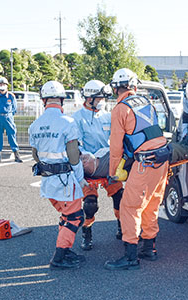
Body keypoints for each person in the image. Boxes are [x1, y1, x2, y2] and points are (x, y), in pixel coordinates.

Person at [104, 68, 169, 271]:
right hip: (162, 159)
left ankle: (130, 256)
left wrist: (114, 173)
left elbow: (115, 146)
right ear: (134, 86)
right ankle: (149, 248)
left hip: (145, 163)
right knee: (151, 203)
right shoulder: (147, 102)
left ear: (116, 88)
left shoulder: (120, 109)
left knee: (129, 207)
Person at [29, 80, 88, 269]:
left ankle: (66, 249)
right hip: (65, 181)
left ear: (43, 100)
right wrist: (81, 179)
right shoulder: (68, 122)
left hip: (48, 181)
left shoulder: (35, 125)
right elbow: (73, 156)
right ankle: (59, 256)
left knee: (65, 215)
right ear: (62, 100)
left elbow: (35, 155)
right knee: (75, 217)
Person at [72, 80, 124, 251]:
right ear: (89, 98)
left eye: (104, 97)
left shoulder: (108, 115)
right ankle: (87, 232)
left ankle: (121, 226)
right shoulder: (77, 118)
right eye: (100, 97)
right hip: (88, 166)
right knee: (90, 204)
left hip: (107, 163)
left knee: (120, 196)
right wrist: (88, 158)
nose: (103, 100)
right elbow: (76, 145)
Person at [0, 77, 23, 163]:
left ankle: (16, 155)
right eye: (0, 84)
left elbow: (14, 108)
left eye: (3, 84)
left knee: (12, 135)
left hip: (8, 117)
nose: (2, 86)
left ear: (7, 86)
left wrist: (9, 116)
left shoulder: (11, 96)